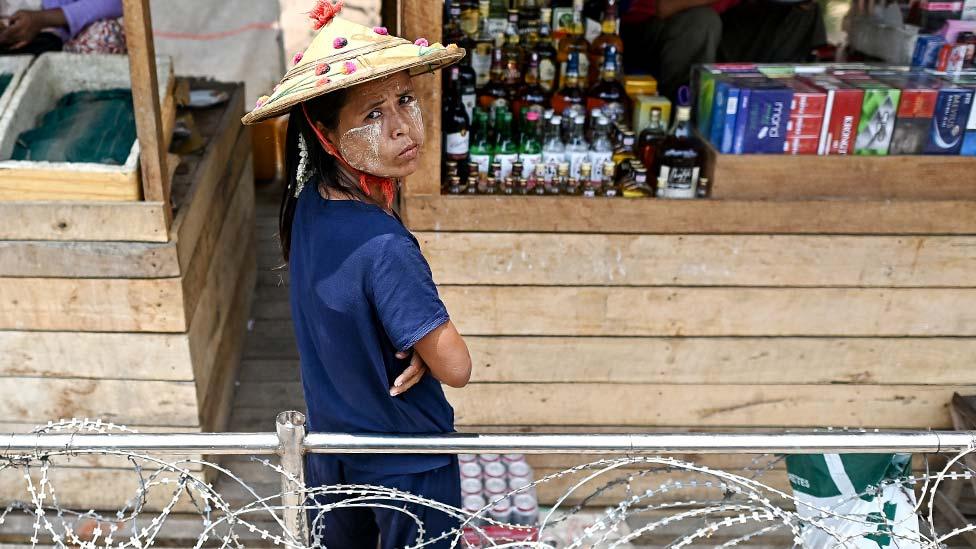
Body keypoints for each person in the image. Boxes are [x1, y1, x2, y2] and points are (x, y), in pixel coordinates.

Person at [240, 2, 472, 548]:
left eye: (406, 100)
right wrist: (427, 347)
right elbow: (457, 367)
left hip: (334, 457)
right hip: (407, 470)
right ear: (324, 133)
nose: (400, 127)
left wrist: (413, 339)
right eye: (372, 115)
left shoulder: (309, 208)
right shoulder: (384, 244)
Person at [619, 0, 827, 101]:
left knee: (801, 11)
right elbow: (664, 7)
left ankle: (775, 104)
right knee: (702, 21)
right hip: (649, 30)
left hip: (718, 31)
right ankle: (683, 116)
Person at [0, 0, 124, 55]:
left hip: (67, 36)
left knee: (105, 37)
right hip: (12, 45)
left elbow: (120, 3)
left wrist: (43, 19)